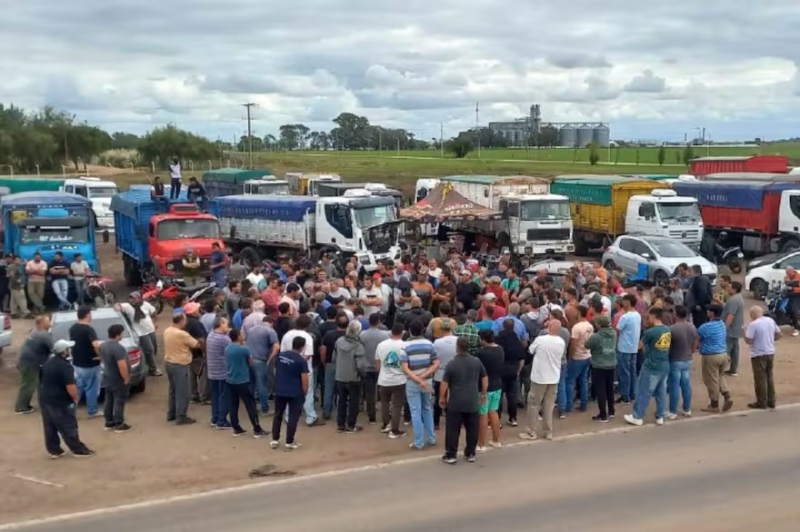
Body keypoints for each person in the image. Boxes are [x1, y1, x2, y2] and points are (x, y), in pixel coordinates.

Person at [39, 339, 95, 458]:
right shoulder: (65, 366)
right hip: (61, 401)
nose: (70, 350)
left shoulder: (48, 362)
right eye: (68, 349)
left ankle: (54, 450)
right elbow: (71, 386)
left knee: (50, 426)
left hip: (46, 399)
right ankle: (78, 449)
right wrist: (75, 399)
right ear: (64, 351)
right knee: (68, 425)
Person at [439, 337, 487, 465]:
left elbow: (444, 383)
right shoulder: (476, 361)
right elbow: (484, 377)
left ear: (457, 347)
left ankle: (451, 454)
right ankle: (470, 453)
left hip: (456, 402)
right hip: (472, 401)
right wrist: (483, 393)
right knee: (472, 428)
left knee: (453, 430)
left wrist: (442, 397)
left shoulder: (451, 363)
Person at [624, 307, 671, 427]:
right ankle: (660, 416)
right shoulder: (667, 329)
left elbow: (639, 346)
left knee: (644, 391)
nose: (647, 319)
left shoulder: (650, 332)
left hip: (651, 365)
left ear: (654, 317)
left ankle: (637, 416)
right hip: (664, 364)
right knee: (661, 392)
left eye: (648, 317)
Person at [521, 320, 565, 441]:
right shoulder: (561, 342)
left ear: (549, 327)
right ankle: (548, 432)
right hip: (554, 377)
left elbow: (530, 350)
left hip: (540, 377)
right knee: (549, 406)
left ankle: (531, 431)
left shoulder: (541, 339)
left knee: (534, 404)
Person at [401, 320, 440, 451]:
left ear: (410, 331)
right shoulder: (430, 344)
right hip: (428, 381)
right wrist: (423, 377)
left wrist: (417, 379)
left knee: (415, 412)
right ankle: (432, 438)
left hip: (412, 382)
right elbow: (436, 363)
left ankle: (419, 442)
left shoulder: (405, 346)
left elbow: (405, 368)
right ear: (423, 330)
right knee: (427, 409)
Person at [280, 314, 324, 427]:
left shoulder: (287, 335)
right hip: (304, 369)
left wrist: (290, 363)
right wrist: (297, 363)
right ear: (308, 325)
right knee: (308, 393)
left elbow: (283, 352)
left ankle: (288, 416)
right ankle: (310, 417)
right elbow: (308, 355)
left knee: (289, 392)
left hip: (288, 368)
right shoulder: (307, 336)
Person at [224, 328, 266, 437]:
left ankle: (236, 428)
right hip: (242, 380)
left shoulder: (227, 348)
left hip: (230, 380)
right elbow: (250, 362)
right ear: (238, 336)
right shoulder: (244, 349)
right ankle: (257, 428)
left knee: (233, 405)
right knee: (250, 404)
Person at [271, 335, 310, 450]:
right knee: (293, 417)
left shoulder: (281, 356)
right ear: (302, 347)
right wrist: (305, 392)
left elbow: (275, 370)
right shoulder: (301, 361)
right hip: (295, 392)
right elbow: (305, 379)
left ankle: (275, 440)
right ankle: (289, 441)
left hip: (280, 390)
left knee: (278, 415)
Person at [163, 311, 200, 425]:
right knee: (184, 391)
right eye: (185, 320)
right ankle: (181, 416)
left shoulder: (167, 330)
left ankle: (172, 413)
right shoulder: (182, 334)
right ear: (181, 321)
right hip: (180, 364)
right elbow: (196, 344)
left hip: (169, 363)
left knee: (173, 390)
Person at [697, 304, 734, 413]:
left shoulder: (705, 327)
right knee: (720, 376)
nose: (707, 312)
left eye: (709, 311)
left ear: (712, 313)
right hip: (723, 354)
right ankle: (727, 396)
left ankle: (714, 404)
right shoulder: (722, 324)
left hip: (711, 355)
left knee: (711, 379)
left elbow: (697, 339)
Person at [116, 292, 162, 376]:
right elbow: (118, 306)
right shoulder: (128, 306)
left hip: (150, 330)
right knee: (149, 349)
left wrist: (155, 322)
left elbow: (154, 312)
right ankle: (152, 369)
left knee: (153, 349)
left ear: (139, 298)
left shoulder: (145, 304)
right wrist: (117, 307)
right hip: (140, 333)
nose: (132, 300)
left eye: (134, 298)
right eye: (131, 298)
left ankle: (149, 363)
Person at [14, 315, 53, 414]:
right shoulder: (44, 335)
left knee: (30, 383)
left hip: (25, 361)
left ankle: (29, 404)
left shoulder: (34, 332)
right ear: (42, 324)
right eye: (48, 321)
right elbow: (54, 349)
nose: (50, 323)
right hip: (30, 364)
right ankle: (21, 407)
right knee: (28, 385)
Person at [375, 323, 408, 438]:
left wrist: (383, 371)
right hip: (399, 379)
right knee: (397, 405)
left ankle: (385, 425)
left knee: (384, 403)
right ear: (402, 332)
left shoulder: (381, 345)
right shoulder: (405, 345)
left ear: (391, 332)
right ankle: (394, 430)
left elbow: (377, 362)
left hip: (384, 379)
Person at [745, 306, 781, 409]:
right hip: (770, 352)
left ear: (752, 314)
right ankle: (771, 400)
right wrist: (770, 340)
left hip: (758, 354)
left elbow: (749, 340)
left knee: (760, 379)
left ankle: (762, 401)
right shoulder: (770, 321)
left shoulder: (753, 325)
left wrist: (745, 331)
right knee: (769, 376)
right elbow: (779, 334)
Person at [334, 320, 367, 433]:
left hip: (340, 376)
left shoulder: (339, 341)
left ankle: (340, 424)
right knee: (353, 402)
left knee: (341, 401)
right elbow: (361, 365)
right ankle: (351, 425)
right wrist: (363, 374)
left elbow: (334, 358)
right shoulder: (358, 346)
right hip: (353, 378)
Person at [69, 305, 102, 417]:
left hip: (77, 363)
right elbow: (96, 345)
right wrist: (100, 356)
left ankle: (71, 409)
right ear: (87, 315)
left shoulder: (73, 328)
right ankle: (92, 411)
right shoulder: (89, 329)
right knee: (91, 388)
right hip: (90, 363)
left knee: (79, 387)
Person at [474, 329, 504, 451]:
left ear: (483, 340)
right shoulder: (500, 349)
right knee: (494, 412)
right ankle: (496, 440)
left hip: (484, 388)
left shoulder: (481, 353)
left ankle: (481, 444)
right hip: (497, 385)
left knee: (483, 415)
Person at [667, 305, 698, 419]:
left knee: (674, 386)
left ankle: (673, 411)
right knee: (686, 385)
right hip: (687, 359)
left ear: (676, 314)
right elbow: (695, 340)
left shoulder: (672, 329)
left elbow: (668, 346)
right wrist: (692, 350)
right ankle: (687, 409)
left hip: (675, 359)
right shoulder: (691, 326)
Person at [584, 315, 617, 422]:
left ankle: (603, 414)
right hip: (611, 363)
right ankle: (611, 411)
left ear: (599, 324)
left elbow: (587, 345)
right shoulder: (614, 333)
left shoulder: (596, 337)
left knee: (601, 390)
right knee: (609, 388)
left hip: (599, 365)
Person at [101, 324, 133, 433]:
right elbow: (122, 365)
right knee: (119, 400)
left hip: (107, 377)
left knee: (109, 399)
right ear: (117, 335)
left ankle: (109, 422)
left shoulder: (104, 345)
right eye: (122, 333)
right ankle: (119, 423)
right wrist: (126, 378)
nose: (123, 335)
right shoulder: (118, 348)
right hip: (117, 378)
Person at [360, 313, 390, 425]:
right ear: (378, 322)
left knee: (369, 392)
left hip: (367, 366)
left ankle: (371, 415)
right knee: (383, 392)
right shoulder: (385, 335)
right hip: (381, 367)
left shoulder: (362, 335)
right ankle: (385, 415)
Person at [246, 315, 279, 414]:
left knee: (251, 385)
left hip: (249, 360)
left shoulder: (251, 330)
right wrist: (269, 359)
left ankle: (251, 407)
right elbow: (277, 347)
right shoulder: (270, 331)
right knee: (262, 386)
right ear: (271, 323)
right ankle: (265, 409)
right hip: (261, 361)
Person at [495, 318, 525, 427]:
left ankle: (497, 420)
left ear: (503, 326)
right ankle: (513, 418)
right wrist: (518, 371)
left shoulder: (498, 339)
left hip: (500, 370)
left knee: (498, 396)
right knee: (512, 396)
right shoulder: (516, 340)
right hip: (513, 370)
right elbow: (522, 358)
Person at [565, 305, 593, 414]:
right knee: (584, 380)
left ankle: (568, 405)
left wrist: (570, 357)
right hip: (587, 355)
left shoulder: (576, 328)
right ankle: (584, 404)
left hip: (578, 357)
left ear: (579, 313)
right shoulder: (590, 326)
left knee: (569, 381)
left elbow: (573, 345)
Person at [206, 316, 232, 428]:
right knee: (224, 397)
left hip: (212, 372)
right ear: (221, 324)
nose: (228, 326)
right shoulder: (224, 339)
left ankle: (215, 418)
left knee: (215, 396)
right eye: (226, 324)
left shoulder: (210, 335)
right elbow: (230, 352)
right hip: (223, 372)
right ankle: (222, 420)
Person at [432, 321, 458, 430]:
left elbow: (433, 357)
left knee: (439, 397)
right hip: (455, 372)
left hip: (440, 373)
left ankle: (436, 422)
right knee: (454, 398)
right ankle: (452, 420)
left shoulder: (437, 342)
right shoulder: (458, 340)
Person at [321, 314, 348, 420]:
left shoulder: (329, 335)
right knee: (344, 389)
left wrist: (324, 362)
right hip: (344, 365)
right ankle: (343, 411)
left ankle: (327, 411)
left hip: (330, 364)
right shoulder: (348, 336)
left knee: (329, 388)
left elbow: (323, 350)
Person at [615, 294, 641, 404]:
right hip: (633, 347)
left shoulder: (625, 317)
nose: (622, 303)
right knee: (632, 372)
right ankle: (632, 394)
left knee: (624, 373)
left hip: (624, 348)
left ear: (628, 303)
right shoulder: (637, 315)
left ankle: (625, 396)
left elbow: (617, 329)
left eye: (624, 301)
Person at [184, 302, 209, 404]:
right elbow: (201, 340)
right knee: (204, 375)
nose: (199, 310)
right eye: (198, 309)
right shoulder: (196, 323)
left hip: (189, 353)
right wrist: (205, 352)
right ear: (193, 311)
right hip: (198, 353)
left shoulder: (185, 322)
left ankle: (194, 396)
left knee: (192, 375)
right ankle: (205, 397)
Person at [722, 281, 745, 377]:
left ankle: (721, 369)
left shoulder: (733, 300)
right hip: (737, 328)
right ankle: (733, 369)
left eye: (729, 287)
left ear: (734, 289)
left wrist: (724, 327)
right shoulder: (739, 298)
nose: (728, 288)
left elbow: (731, 315)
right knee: (735, 351)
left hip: (730, 329)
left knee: (725, 350)